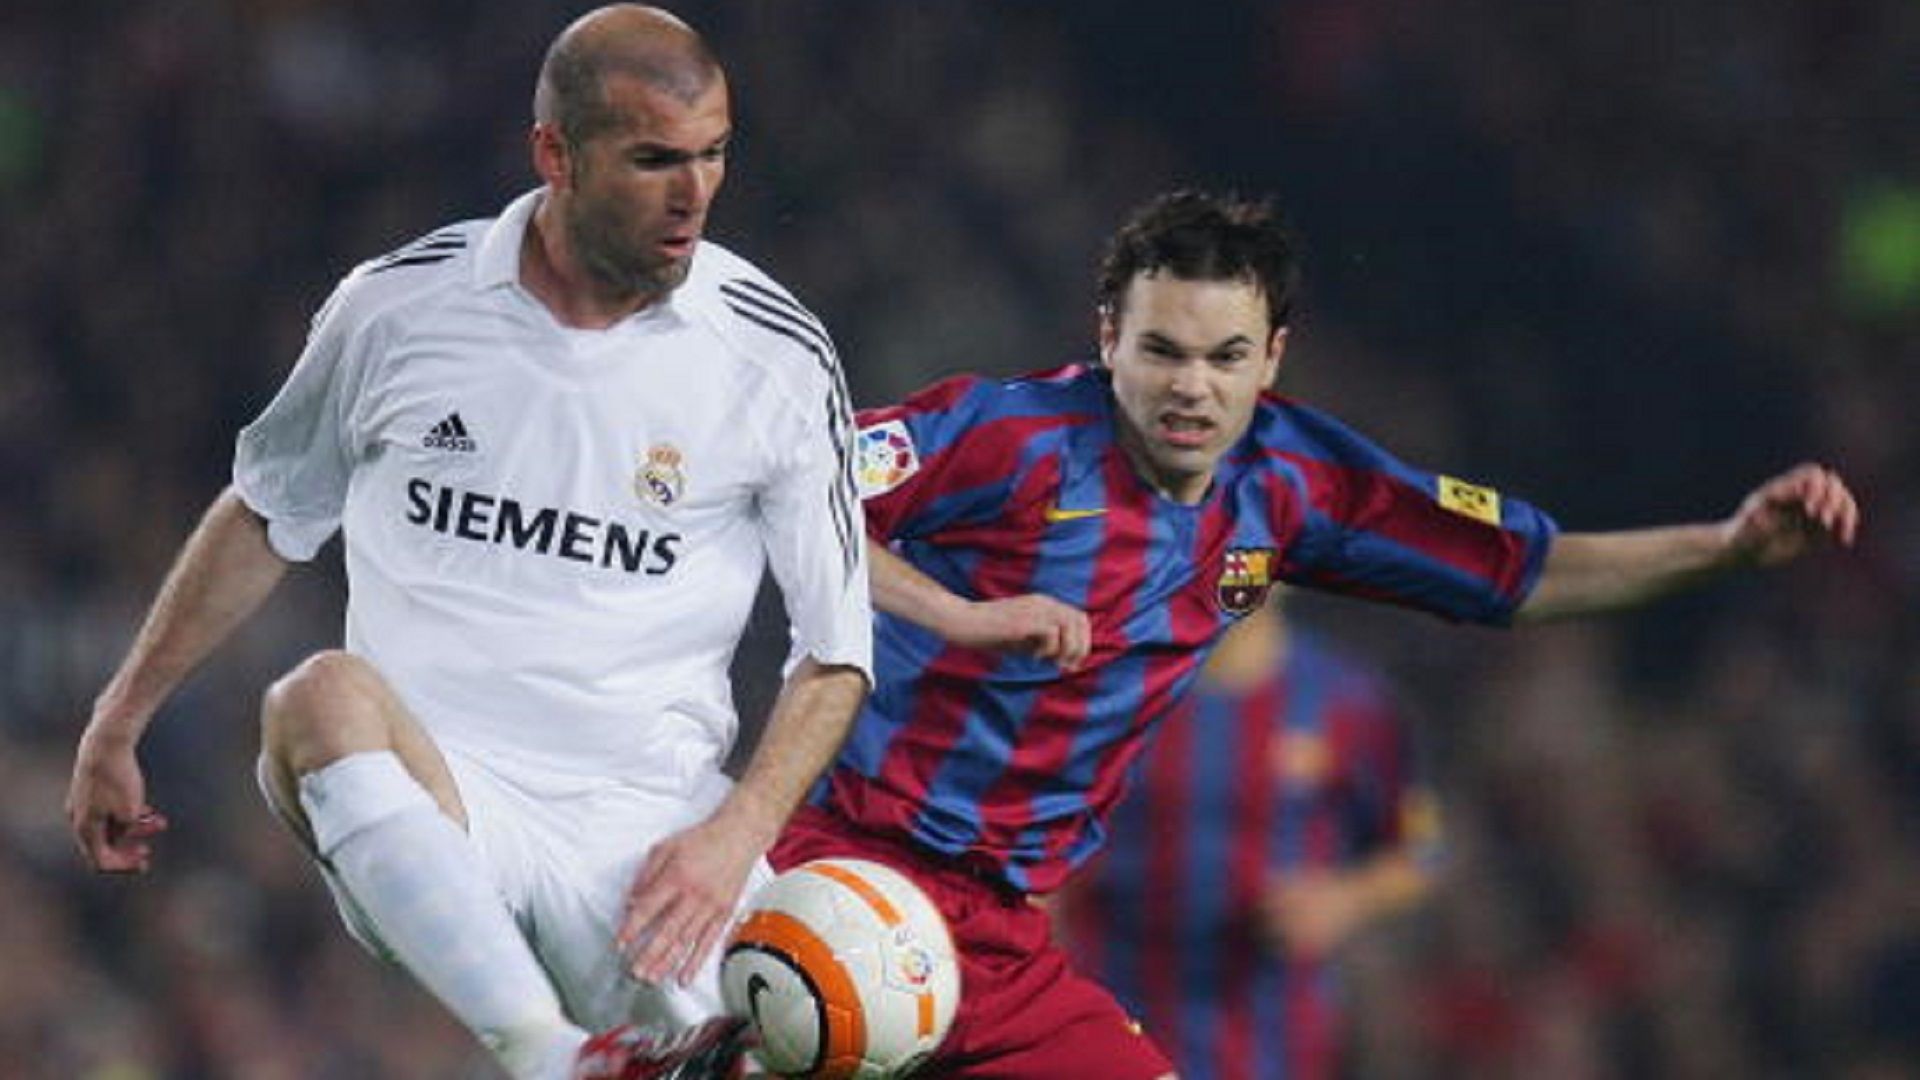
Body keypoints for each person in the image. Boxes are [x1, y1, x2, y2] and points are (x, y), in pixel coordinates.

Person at [767, 189, 1860, 1078]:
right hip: (851, 860)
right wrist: (961, 614)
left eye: (1225, 356)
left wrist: (1722, 546)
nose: (1191, 387)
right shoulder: (1008, 437)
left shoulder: (1294, 482)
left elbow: (1524, 573)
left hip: (1003, 934)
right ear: (1108, 336)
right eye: (1161, 350)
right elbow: (798, 491)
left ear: (1273, 357)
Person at [64, 7, 871, 1079]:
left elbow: (834, 648)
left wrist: (738, 833)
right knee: (315, 698)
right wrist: (120, 717)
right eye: (653, 160)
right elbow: (268, 508)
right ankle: (549, 1056)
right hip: (440, 801)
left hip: (654, 840)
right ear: (555, 153)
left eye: (713, 155)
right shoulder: (399, 308)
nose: (695, 196)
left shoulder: (774, 353)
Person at [1057, 594, 1441, 1080]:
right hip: (1119, 1006)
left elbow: (1418, 851)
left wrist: (1342, 900)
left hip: (1273, 1029)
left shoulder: (1350, 700)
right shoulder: (1114, 690)